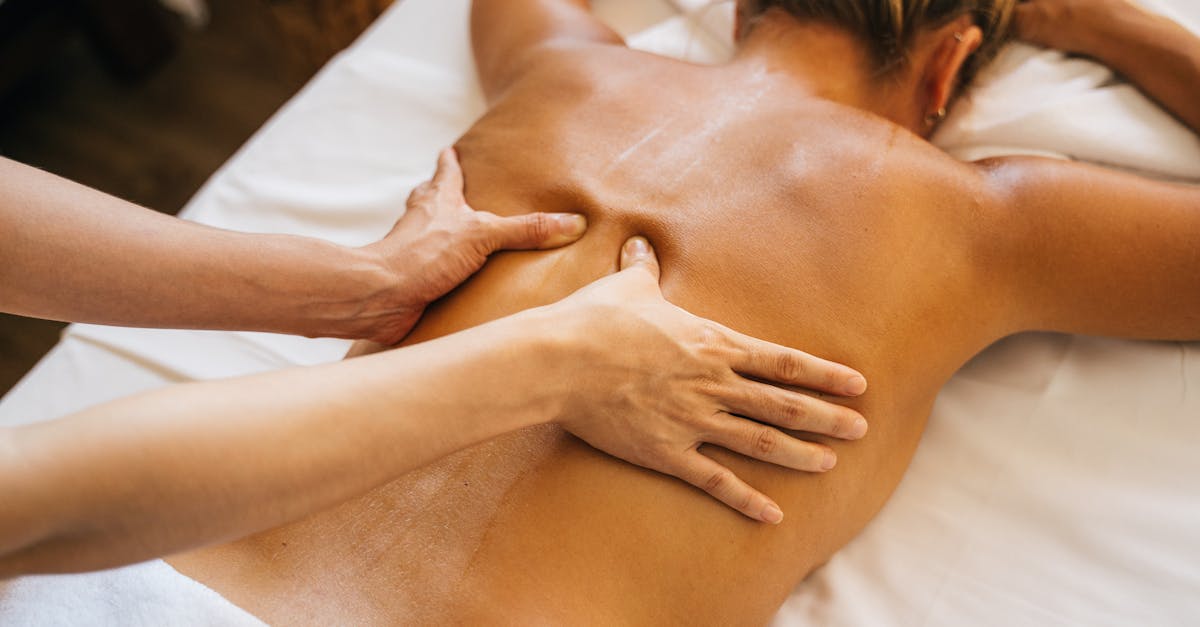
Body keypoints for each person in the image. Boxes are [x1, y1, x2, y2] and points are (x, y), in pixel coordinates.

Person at [34, 0, 1200, 622]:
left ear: (743, 11)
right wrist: (1101, 22)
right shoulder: (982, 223)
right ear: (949, 72)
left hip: (113, 578)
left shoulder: (561, 69)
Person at [0, 152, 873, 575]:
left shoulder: (572, 66)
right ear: (949, 64)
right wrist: (560, 360)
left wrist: (358, 287)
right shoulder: (973, 205)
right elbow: (34, 500)